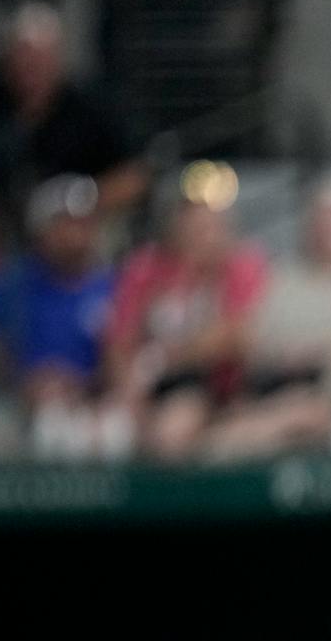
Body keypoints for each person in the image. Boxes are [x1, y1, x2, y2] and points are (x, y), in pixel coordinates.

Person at [202, 175, 331, 461]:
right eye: (324, 222)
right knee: (224, 444)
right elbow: (255, 342)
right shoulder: (285, 279)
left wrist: (330, 352)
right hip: (284, 390)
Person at [102, 171, 268, 460]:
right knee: (104, 432)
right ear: (177, 223)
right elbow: (119, 338)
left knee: (174, 428)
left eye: (213, 224)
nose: (205, 233)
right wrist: (128, 391)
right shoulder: (146, 267)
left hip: (220, 388)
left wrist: (163, 359)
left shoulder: (241, 265)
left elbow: (235, 336)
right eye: (195, 223)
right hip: (151, 386)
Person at [0, 2, 145, 240]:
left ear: (58, 57)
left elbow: (134, 176)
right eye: (23, 54)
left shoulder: (91, 108)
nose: (31, 66)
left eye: (40, 57)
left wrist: (81, 202)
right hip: (1, 223)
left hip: (77, 225)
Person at [0, 174, 114, 456]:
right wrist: (20, 376)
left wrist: (81, 384)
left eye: (85, 224)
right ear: (41, 230)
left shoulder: (115, 286)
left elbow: (134, 354)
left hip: (94, 404)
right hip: (15, 402)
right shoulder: (13, 284)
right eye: (64, 224)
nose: (76, 235)